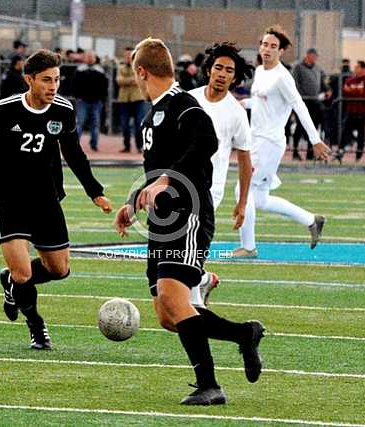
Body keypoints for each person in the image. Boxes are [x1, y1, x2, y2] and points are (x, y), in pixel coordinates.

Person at [114, 37, 264, 406]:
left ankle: (209, 385)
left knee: (171, 295)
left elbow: (206, 142)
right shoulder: (153, 115)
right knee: (167, 314)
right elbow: (157, 170)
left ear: (140, 72)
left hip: (190, 210)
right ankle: (244, 334)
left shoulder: (184, 104)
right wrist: (133, 202)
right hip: (163, 219)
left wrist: (166, 181)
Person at [0, 49, 112, 349]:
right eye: (46, 80)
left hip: (46, 199)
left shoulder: (63, 111)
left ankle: (10, 282)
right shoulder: (4, 109)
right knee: (23, 272)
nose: (53, 86)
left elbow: (73, 153)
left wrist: (95, 192)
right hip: (9, 198)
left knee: (59, 270)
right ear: (29, 80)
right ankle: (37, 327)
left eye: (57, 80)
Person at [238, 25, 330, 258]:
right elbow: (260, 102)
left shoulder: (282, 77)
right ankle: (312, 220)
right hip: (256, 140)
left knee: (243, 187)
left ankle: (248, 247)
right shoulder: (260, 71)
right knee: (259, 200)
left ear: (281, 52)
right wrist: (241, 104)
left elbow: (299, 106)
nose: (267, 49)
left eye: (273, 46)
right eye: (264, 44)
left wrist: (315, 140)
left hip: (269, 144)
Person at [187, 42, 254, 301]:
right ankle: (203, 280)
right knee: (179, 245)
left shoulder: (236, 113)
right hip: (179, 183)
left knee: (190, 242)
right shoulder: (188, 100)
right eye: (218, 68)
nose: (222, 73)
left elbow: (245, 159)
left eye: (229, 70)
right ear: (209, 70)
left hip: (209, 190)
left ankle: (194, 305)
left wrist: (242, 202)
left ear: (235, 77)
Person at [291, 48, 330, 160]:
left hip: (315, 102)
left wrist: (327, 89)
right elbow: (295, 83)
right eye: (313, 56)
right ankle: (295, 151)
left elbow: (323, 82)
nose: (315, 58)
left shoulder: (317, 69)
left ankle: (310, 152)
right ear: (308, 55)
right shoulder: (298, 68)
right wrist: (299, 97)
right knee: (300, 126)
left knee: (312, 126)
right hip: (303, 101)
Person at [336, 61, 365, 162]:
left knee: (361, 135)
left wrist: (353, 90)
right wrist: (356, 90)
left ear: (363, 69)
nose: (355, 69)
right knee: (345, 133)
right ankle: (340, 152)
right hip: (350, 110)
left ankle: (358, 156)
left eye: (358, 67)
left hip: (361, 111)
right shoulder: (350, 79)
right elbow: (345, 92)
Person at [72, 51, 108, 151]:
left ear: (95, 58)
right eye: (88, 57)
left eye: (92, 57)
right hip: (83, 101)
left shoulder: (100, 70)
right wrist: (77, 96)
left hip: (96, 101)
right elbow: (74, 84)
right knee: (80, 122)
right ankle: (75, 144)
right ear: (84, 58)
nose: (90, 58)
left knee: (95, 123)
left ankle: (94, 144)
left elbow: (104, 86)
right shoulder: (80, 70)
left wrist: (102, 99)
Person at [116, 47, 146, 153]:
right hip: (124, 99)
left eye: (130, 54)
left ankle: (140, 146)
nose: (128, 57)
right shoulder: (121, 67)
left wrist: (127, 80)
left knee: (139, 123)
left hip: (137, 99)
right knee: (124, 125)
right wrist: (131, 80)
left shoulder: (140, 67)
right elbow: (119, 80)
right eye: (126, 55)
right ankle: (126, 146)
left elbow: (140, 80)